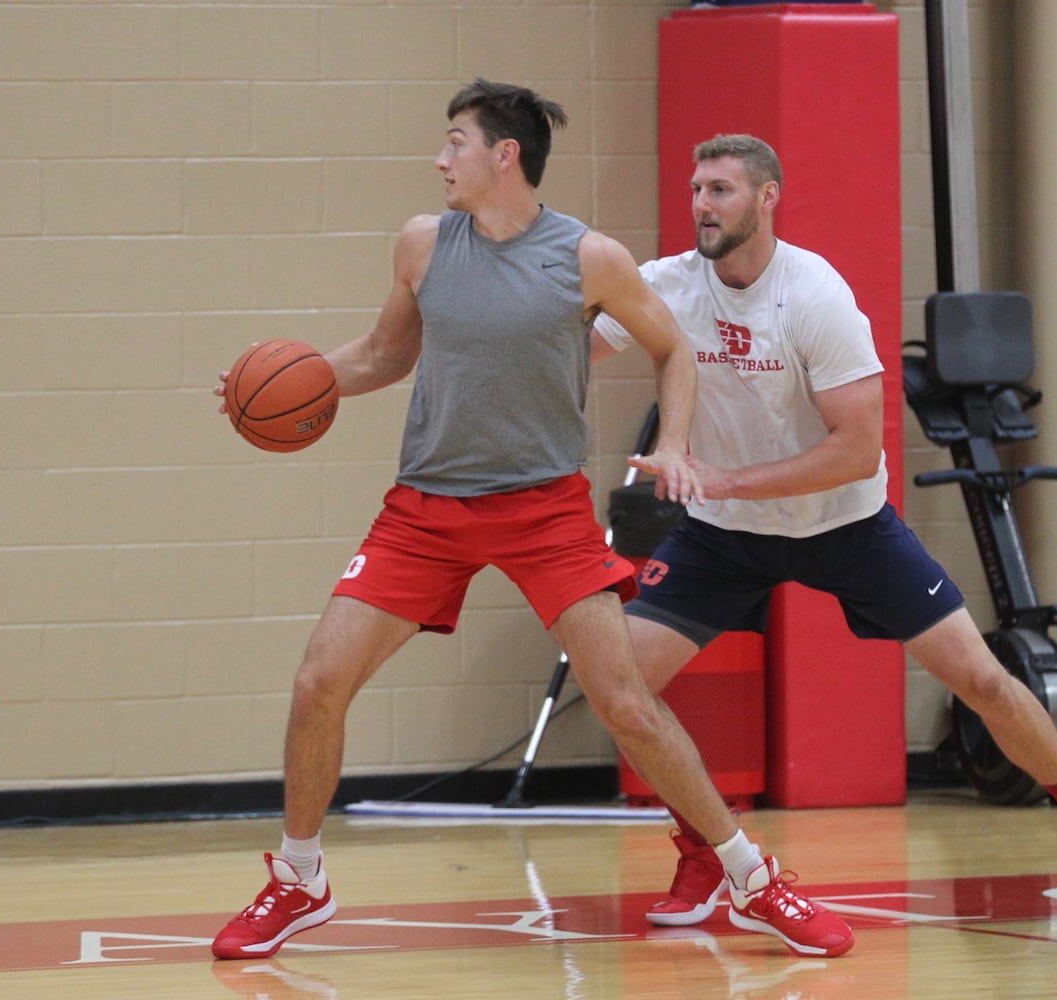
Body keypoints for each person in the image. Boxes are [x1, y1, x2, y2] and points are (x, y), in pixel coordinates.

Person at [209, 84, 854, 962]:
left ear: (503, 154)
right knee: (319, 681)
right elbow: (383, 355)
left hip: (542, 510)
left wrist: (671, 444)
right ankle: (298, 882)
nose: (441, 160)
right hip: (426, 505)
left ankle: (752, 879)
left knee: (626, 701)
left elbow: (670, 349)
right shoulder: (421, 244)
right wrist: (287, 382)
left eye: (455, 143)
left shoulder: (589, 258)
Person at [592, 134, 1057, 926]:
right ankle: (703, 849)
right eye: (696, 190)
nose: (701, 206)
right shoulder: (665, 285)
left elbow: (855, 448)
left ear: (766, 199)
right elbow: (574, 344)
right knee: (618, 685)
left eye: (720, 190)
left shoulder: (814, 295)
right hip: (721, 533)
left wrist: (730, 478)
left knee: (983, 681)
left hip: (845, 524)